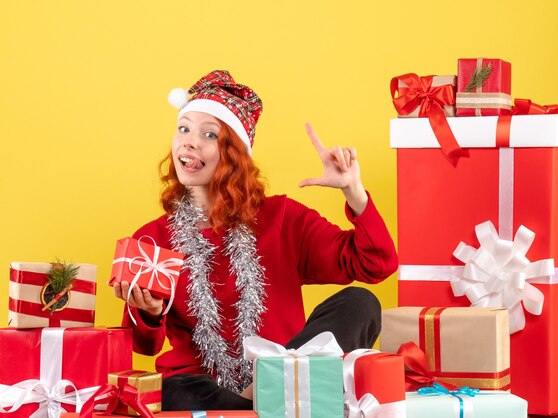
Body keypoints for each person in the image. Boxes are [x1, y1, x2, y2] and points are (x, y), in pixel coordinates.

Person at [112, 70, 398, 410]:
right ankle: (264, 403)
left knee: (361, 303)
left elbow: (374, 263)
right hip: (203, 386)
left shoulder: (282, 218)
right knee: (174, 390)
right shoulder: (152, 238)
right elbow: (144, 346)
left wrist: (353, 191)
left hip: (287, 366)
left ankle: (268, 386)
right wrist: (148, 312)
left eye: (209, 134)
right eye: (183, 128)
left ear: (234, 154)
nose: (189, 141)